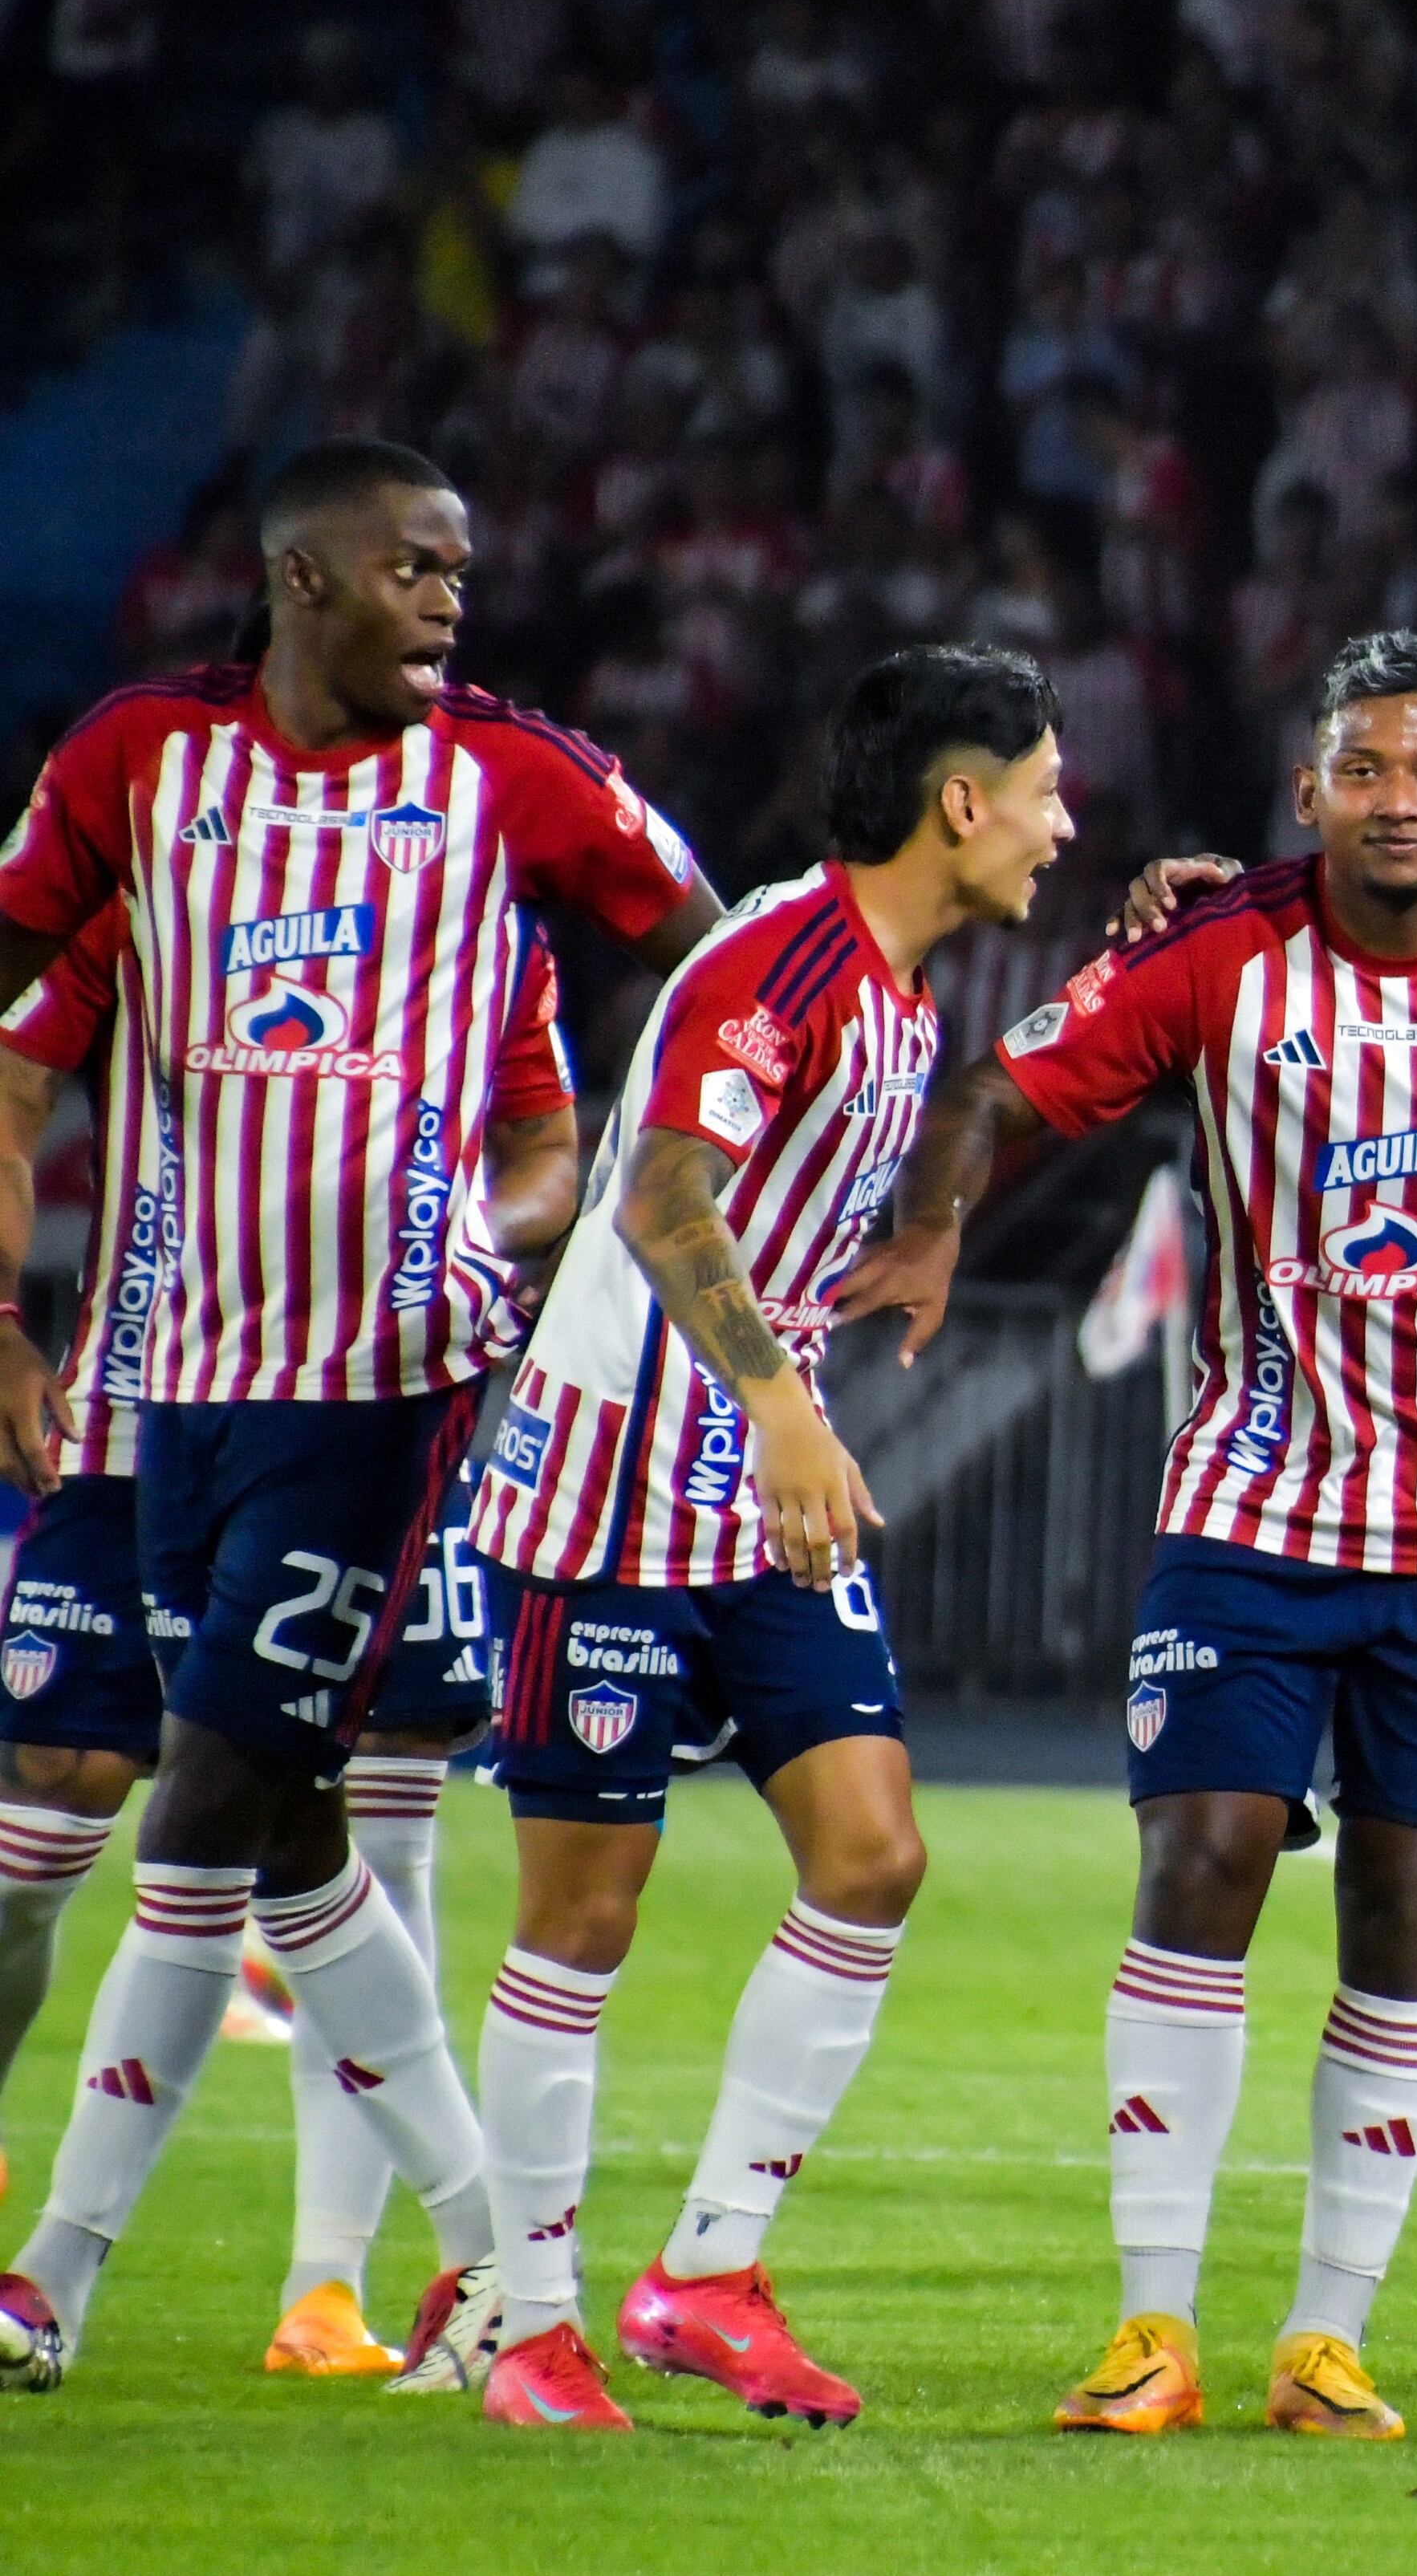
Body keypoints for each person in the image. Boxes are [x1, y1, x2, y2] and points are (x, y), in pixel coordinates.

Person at [834, 631, 1417, 2447]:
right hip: (1250, 1498)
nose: (1393, 803)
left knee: (1411, 1913)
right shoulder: (1220, 950)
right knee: (1208, 1854)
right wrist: (934, 1221)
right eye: (1361, 771)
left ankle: (1326, 2340)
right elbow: (1005, 1087)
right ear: (1308, 787)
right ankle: (1152, 2324)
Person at [0, 435, 726, 2399]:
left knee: (211, 1811)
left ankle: (51, 2278)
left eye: (460, 574)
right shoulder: (141, 768)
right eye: (415, 569)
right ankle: (499, 2268)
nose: (448, 602)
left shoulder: (507, 783)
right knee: (292, 1833)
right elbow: (10, 1016)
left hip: (374, 1396)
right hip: (171, 1383)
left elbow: (713, 955)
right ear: (304, 580)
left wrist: (556, 1220)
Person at [457, 644, 1078, 2431]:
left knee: (872, 1853)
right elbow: (659, 1191)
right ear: (959, 802)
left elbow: (793, 1196)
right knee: (584, 1916)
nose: (1062, 820)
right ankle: (531, 2324)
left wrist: (910, 1244)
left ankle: (707, 2271)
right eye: (1043, 787)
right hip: (615, 1481)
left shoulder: (893, 993)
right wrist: (789, 1400)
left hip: (749, 1483)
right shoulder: (787, 958)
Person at [0, 908, 582, 2377]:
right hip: (132, 1407)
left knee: (277, 1805)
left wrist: (472, 1253)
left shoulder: (478, 887)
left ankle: (208, 2277)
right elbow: (16, 1072)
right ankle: (486, 2254)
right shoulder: (156, 866)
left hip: (344, 1415)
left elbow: (552, 1148)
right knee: (158, 1809)